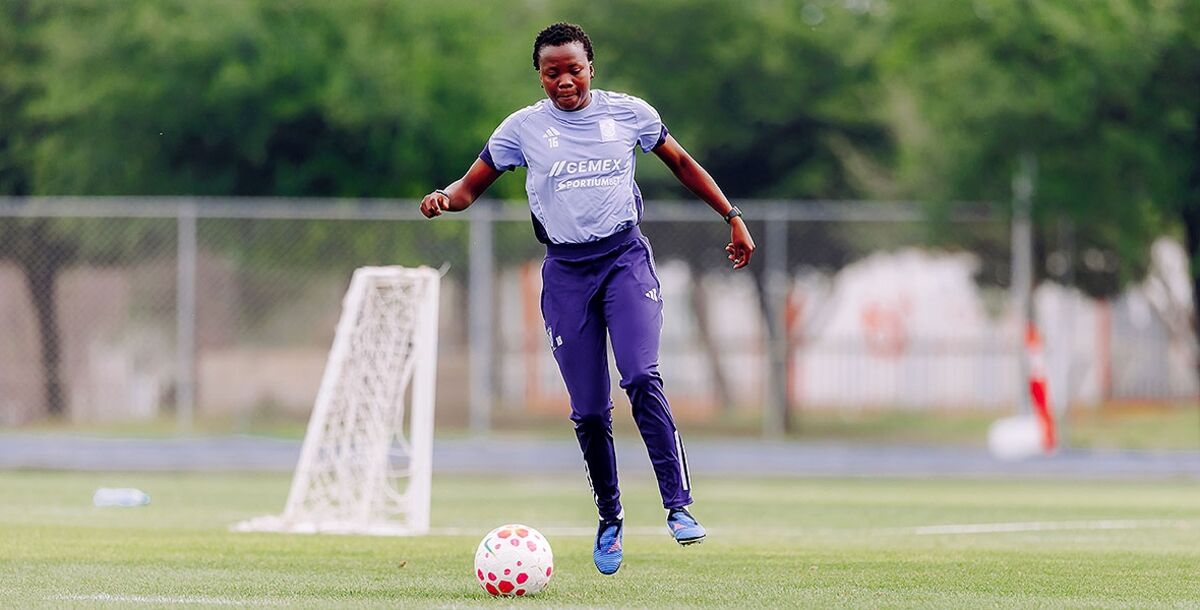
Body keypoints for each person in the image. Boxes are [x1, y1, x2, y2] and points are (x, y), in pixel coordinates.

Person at [420, 22, 755, 575]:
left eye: (573, 69)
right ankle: (610, 517)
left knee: (642, 376)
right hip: (567, 274)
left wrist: (732, 215)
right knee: (591, 410)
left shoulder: (628, 114)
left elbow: (682, 164)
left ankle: (678, 506)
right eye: (552, 72)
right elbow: (469, 187)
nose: (564, 81)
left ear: (590, 68)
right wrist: (442, 200)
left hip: (625, 261)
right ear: (540, 75)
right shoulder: (521, 130)